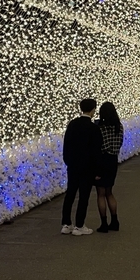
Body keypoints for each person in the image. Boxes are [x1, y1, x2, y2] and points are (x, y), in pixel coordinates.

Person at [61, 98, 102, 236]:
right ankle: (79, 225)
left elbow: (66, 144)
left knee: (70, 194)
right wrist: (97, 170)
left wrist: (68, 161)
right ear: (93, 110)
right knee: (84, 196)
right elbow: (97, 151)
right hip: (87, 167)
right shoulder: (94, 128)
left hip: (72, 165)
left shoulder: (72, 125)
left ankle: (66, 224)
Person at [95, 102, 124, 233]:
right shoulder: (119, 127)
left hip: (102, 160)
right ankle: (115, 221)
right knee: (109, 192)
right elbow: (120, 144)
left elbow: (98, 146)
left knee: (101, 193)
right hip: (113, 160)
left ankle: (104, 223)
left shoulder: (100, 127)